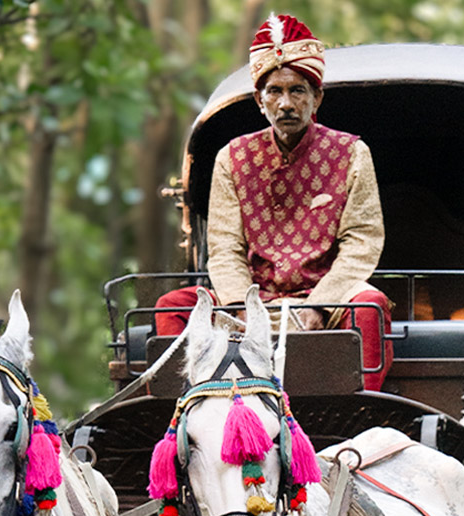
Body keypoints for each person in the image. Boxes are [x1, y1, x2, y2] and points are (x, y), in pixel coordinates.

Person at [154, 13, 392, 391]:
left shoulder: (351, 153)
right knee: (172, 306)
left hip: (325, 297)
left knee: (371, 307)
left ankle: (359, 413)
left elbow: (362, 243)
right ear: (259, 100)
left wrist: (320, 305)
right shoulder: (232, 158)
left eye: (297, 90)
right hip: (252, 299)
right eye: (274, 92)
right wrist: (239, 307)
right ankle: (183, 421)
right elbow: (225, 246)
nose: (286, 103)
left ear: (317, 99)